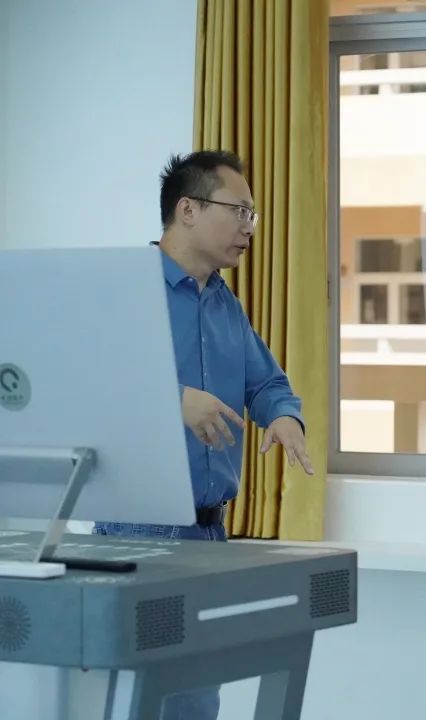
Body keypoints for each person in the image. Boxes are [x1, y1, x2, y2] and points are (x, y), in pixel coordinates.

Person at [93, 150, 315, 720]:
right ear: (187, 210)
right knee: (143, 699)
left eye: (252, 214)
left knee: (194, 699)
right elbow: (91, 388)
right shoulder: (123, 288)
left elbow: (266, 381)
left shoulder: (223, 301)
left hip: (208, 533)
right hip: (137, 534)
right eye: (238, 210)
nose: (249, 227)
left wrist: (283, 416)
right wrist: (172, 400)